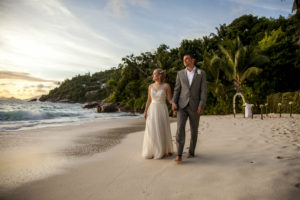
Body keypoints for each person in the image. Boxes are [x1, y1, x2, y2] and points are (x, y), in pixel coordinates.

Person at [172, 53, 207, 163]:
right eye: (184, 59)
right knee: (180, 128)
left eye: (187, 59)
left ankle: (191, 152)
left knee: (193, 129)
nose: (185, 61)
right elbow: (177, 89)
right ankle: (179, 154)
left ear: (193, 60)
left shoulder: (201, 73)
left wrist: (201, 104)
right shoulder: (180, 73)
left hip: (195, 106)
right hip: (182, 105)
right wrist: (174, 102)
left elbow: (204, 91)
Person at [142, 69, 174, 159]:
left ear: (160, 75)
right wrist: (145, 111)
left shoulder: (166, 86)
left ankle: (161, 151)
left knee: (160, 129)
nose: (153, 76)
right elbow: (148, 100)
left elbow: (169, 99)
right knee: (151, 129)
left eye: (154, 74)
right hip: (152, 109)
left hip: (162, 109)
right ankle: (151, 150)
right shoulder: (150, 86)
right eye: (153, 74)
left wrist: (174, 104)